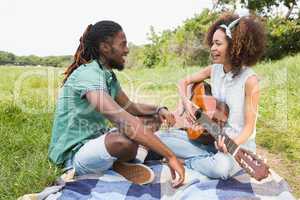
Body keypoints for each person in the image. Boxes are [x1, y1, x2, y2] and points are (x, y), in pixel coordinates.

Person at [48, 20, 184, 187]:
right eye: (123, 44)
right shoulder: (89, 74)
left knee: (153, 119)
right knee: (124, 141)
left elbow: (130, 107)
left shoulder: (108, 75)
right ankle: (123, 162)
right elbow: (121, 118)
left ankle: (122, 163)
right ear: (105, 47)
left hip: (95, 141)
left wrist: (159, 109)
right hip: (73, 155)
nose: (127, 50)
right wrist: (170, 156)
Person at [156, 13, 266, 179]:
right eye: (212, 43)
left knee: (220, 169)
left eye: (218, 43)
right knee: (159, 137)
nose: (212, 48)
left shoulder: (250, 81)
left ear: (234, 46)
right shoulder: (214, 69)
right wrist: (186, 104)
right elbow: (183, 82)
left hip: (236, 144)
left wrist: (231, 145)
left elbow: (249, 128)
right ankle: (204, 158)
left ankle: (186, 162)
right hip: (208, 137)